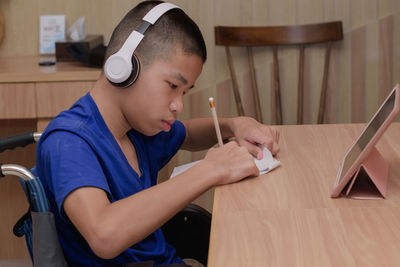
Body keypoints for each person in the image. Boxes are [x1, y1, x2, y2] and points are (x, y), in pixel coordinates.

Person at [36, 1, 280, 266]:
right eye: (173, 85)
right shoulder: (68, 142)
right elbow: (104, 234)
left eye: (184, 92)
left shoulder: (138, 130)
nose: (179, 105)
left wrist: (234, 125)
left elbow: (187, 134)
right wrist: (209, 170)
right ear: (126, 68)